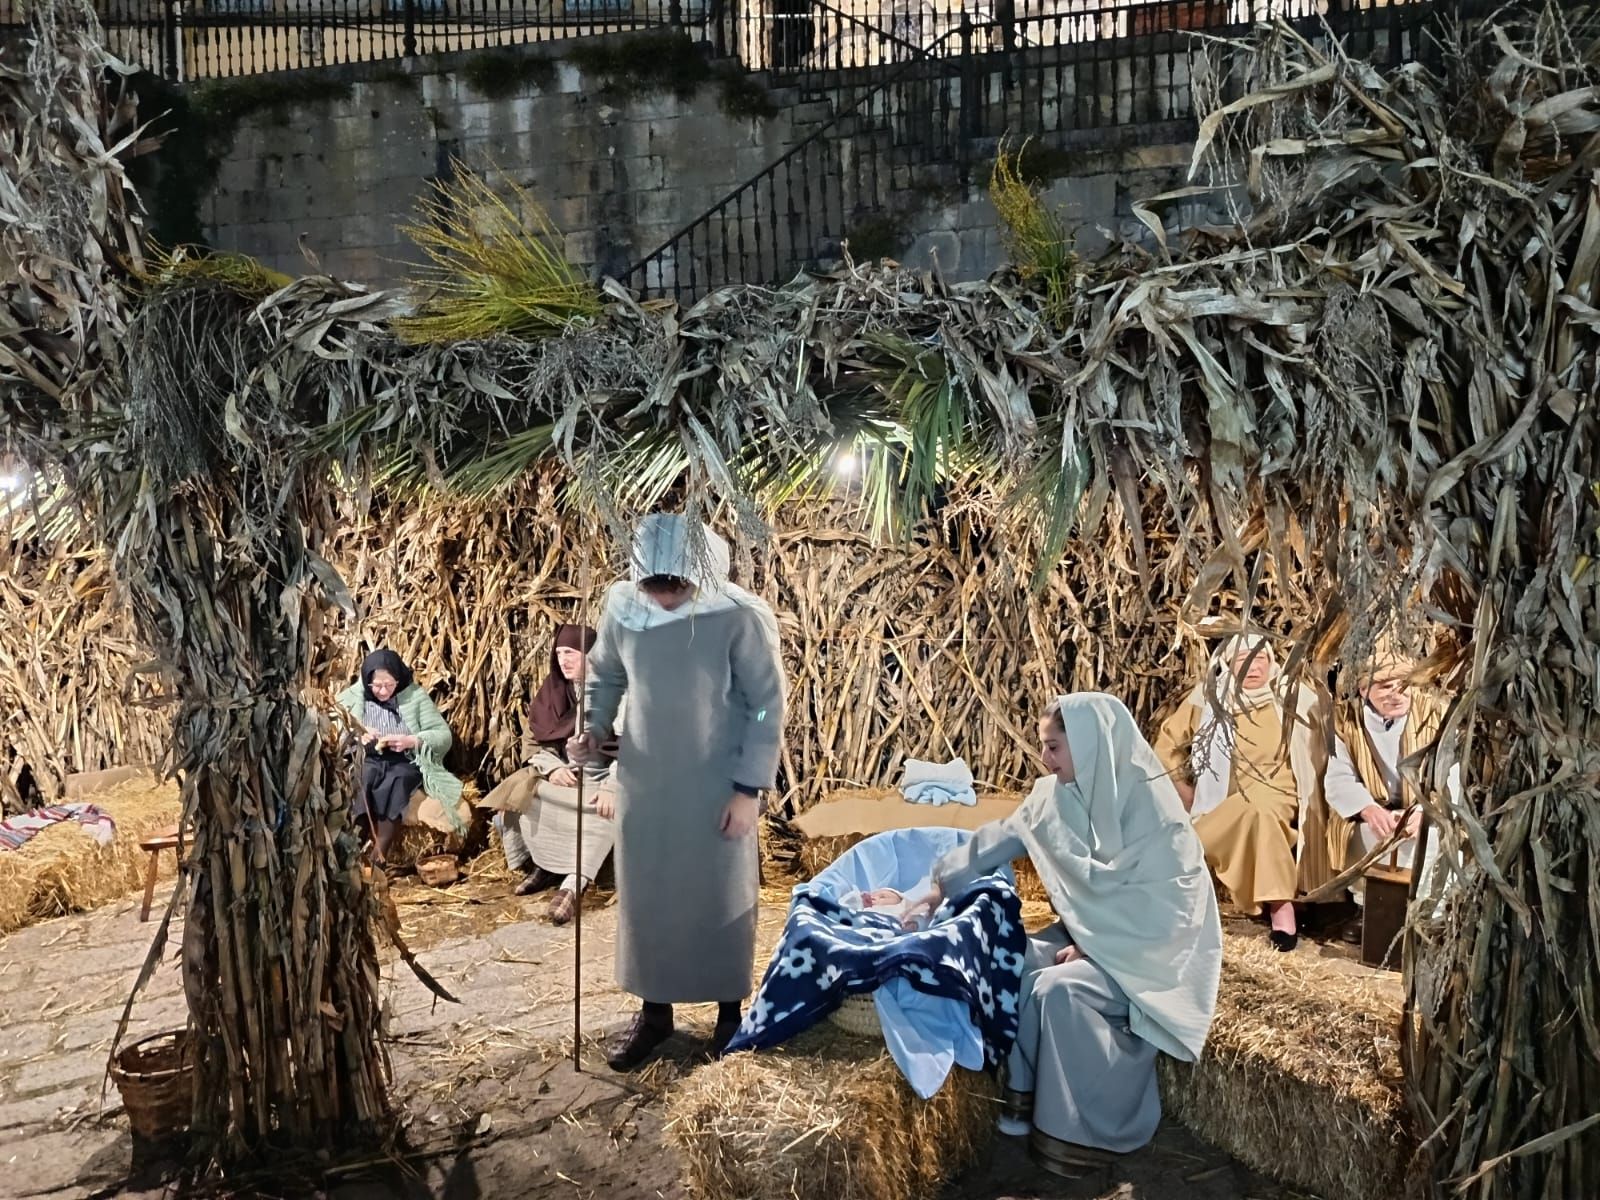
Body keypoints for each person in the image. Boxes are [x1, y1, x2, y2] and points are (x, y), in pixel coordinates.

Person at [911, 693, 1221, 1176]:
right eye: (1043, 746)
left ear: (1091, 745)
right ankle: (1025, 1099)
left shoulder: (1156, 813)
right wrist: (933, 888)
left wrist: (1098, 949)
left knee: (1058, 989)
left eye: (1054, 747)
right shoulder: (1052, 799)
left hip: (1149, 957)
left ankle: (1082, 1135)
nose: (1044, 758)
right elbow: (993, 841)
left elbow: (1174, 913)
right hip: (1093, 935)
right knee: (1017, 961)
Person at [569, 514, 786, 1071]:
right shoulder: (623, 607)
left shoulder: (737, 616)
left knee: (718, 896)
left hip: (717, 782)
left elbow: (765, 702)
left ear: (702, 573)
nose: (663, 597)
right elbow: (606, 674)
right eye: (653, 584)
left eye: (676, 585)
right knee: (651, 899)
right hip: (647, 778)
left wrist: (748, 788)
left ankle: (729, 1016)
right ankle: (655, 1013)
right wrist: (594, 728)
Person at [1152, 634, 1333, 951]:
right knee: (1214, 830)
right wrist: (1185, 792)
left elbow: (1332, 746)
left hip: (1282, 790)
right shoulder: (1208, 699)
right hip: (1223, 802)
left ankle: (1280, 907)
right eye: (1242, 659)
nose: (1252, 666)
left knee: (1260, 811)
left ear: (1272, 662)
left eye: (1260, 658)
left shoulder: (1297, 697)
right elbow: (1166, 748)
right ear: (1227, 663)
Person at [491, 624, 618, 924]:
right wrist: (553, 768)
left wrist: (613, 786)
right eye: (559, 653)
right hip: (566, 778)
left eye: (571, 653)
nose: (564, 660)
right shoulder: (554, 690)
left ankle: (573, 884)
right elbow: (532, 743)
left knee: (604, 811)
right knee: (526, 797)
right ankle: (544, 866)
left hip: (605, 778)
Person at [1322, 643, 1453, 924]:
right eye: (1384, 686)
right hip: (1375, 807)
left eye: (1403, 684)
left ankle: (1430, 914)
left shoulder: (1437, 713)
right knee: (1364, 833)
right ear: (1363, 690)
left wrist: (1424, 812)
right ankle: (1367, 910)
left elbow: (1450, 774)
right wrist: (1368, 809)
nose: (1396, 694)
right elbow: (1338, 776)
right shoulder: (1346, 720)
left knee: (1433, 838)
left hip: (1424, 807)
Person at [336, 649, 460, 866]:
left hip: (405, 759)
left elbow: (443, 735)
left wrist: (412, 740)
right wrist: (357, 735)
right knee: (364, 777)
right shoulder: (352, 697)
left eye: (389, 685)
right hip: (367, 757)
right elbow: (333, 727)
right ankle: (354, 846)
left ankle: (379, 853)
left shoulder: (415, 697)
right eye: (377, 686)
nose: (383, 691)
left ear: (398, 679)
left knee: (397, 781)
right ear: (367, 681)